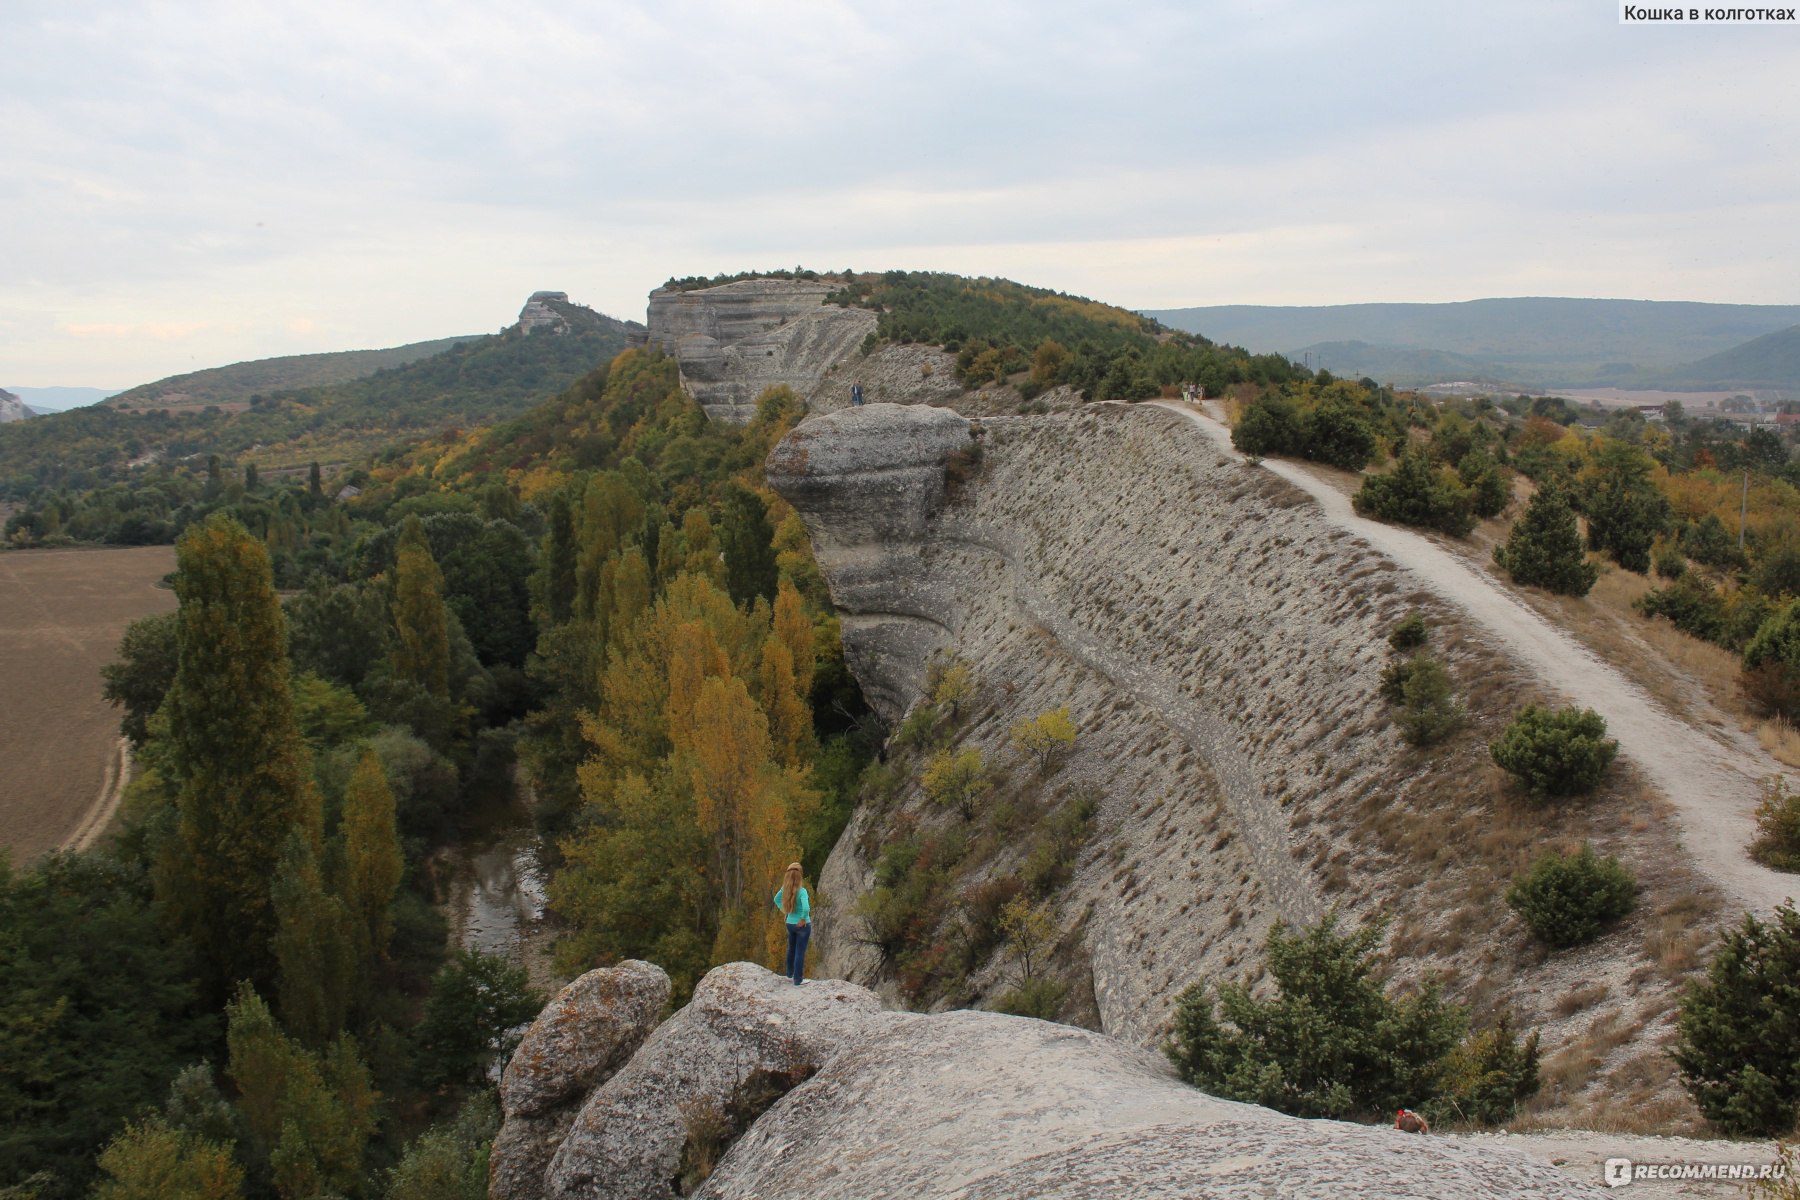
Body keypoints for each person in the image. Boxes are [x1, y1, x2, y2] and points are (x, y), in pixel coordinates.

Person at [774, 862, 811, 985]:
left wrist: (786, 911)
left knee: (791, 949)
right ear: (800, 875)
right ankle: (798, 979)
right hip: (802, 926)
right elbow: (806, 908)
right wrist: (803, 918)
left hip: (790, 923)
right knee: (800, 952)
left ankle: (789, 974)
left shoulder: (785, 888)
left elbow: (776, 899)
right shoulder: (802, 891)